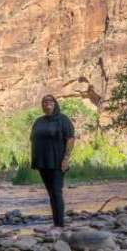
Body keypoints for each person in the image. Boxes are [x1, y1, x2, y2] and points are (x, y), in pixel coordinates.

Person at [30, 94, 75, 232]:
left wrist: (66, 159)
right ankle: (56, 223)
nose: (46, 103)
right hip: (43, 163)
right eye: (44, 101)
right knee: (51, 193)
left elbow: (70, 139)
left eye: (49, 101)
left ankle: (60, 225)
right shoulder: (39, 121)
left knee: (56, 192)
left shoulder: (63, 120)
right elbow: (32, 139)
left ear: (55, 104)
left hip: (57, 162)